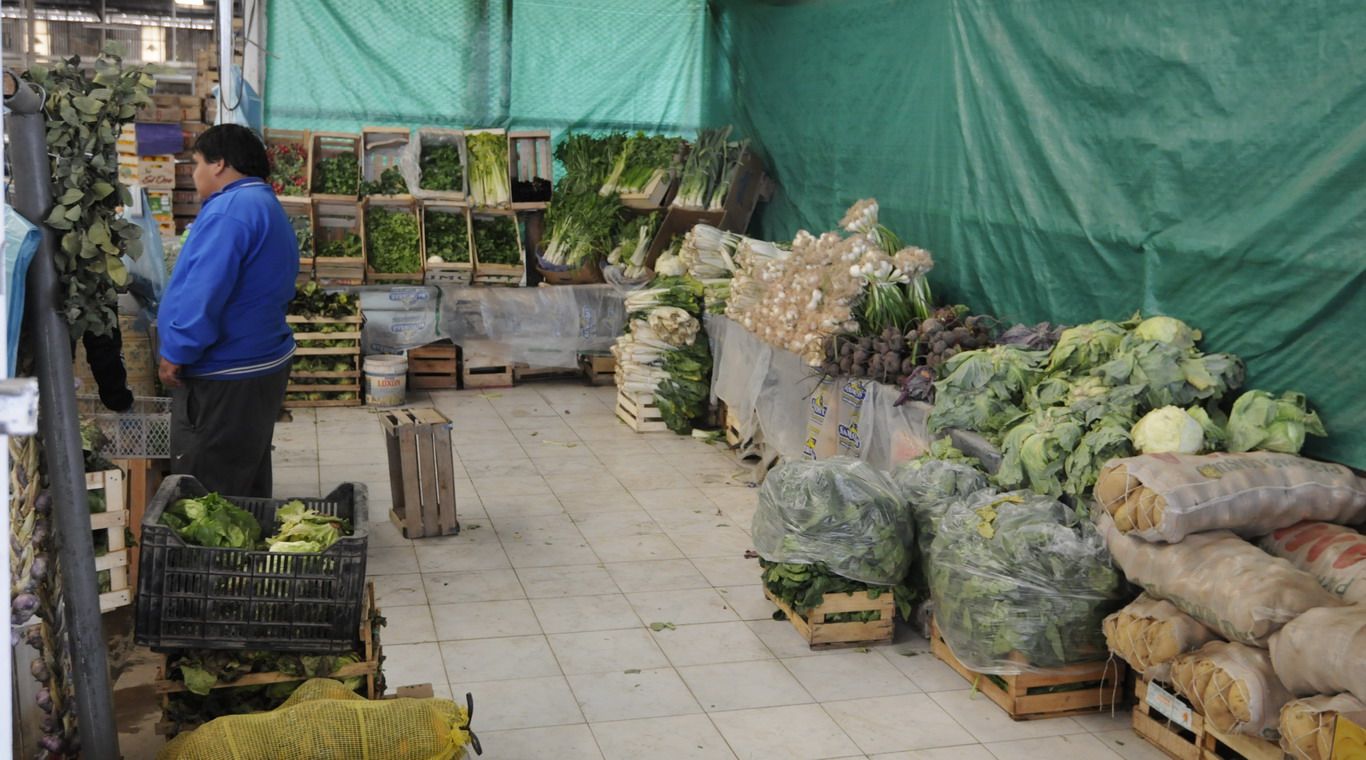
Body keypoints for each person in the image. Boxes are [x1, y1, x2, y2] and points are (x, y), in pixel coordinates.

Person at [158, 124, 298, 497]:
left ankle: (213, 558)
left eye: (196, 163)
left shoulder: (230, 211)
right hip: (258, 364)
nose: (195, 173)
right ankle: (245, 554)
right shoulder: (263, 204)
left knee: (207, 489)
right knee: (243, 477)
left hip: (227, 370)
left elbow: (205, 291)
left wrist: (176, 351)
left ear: (219, 164)